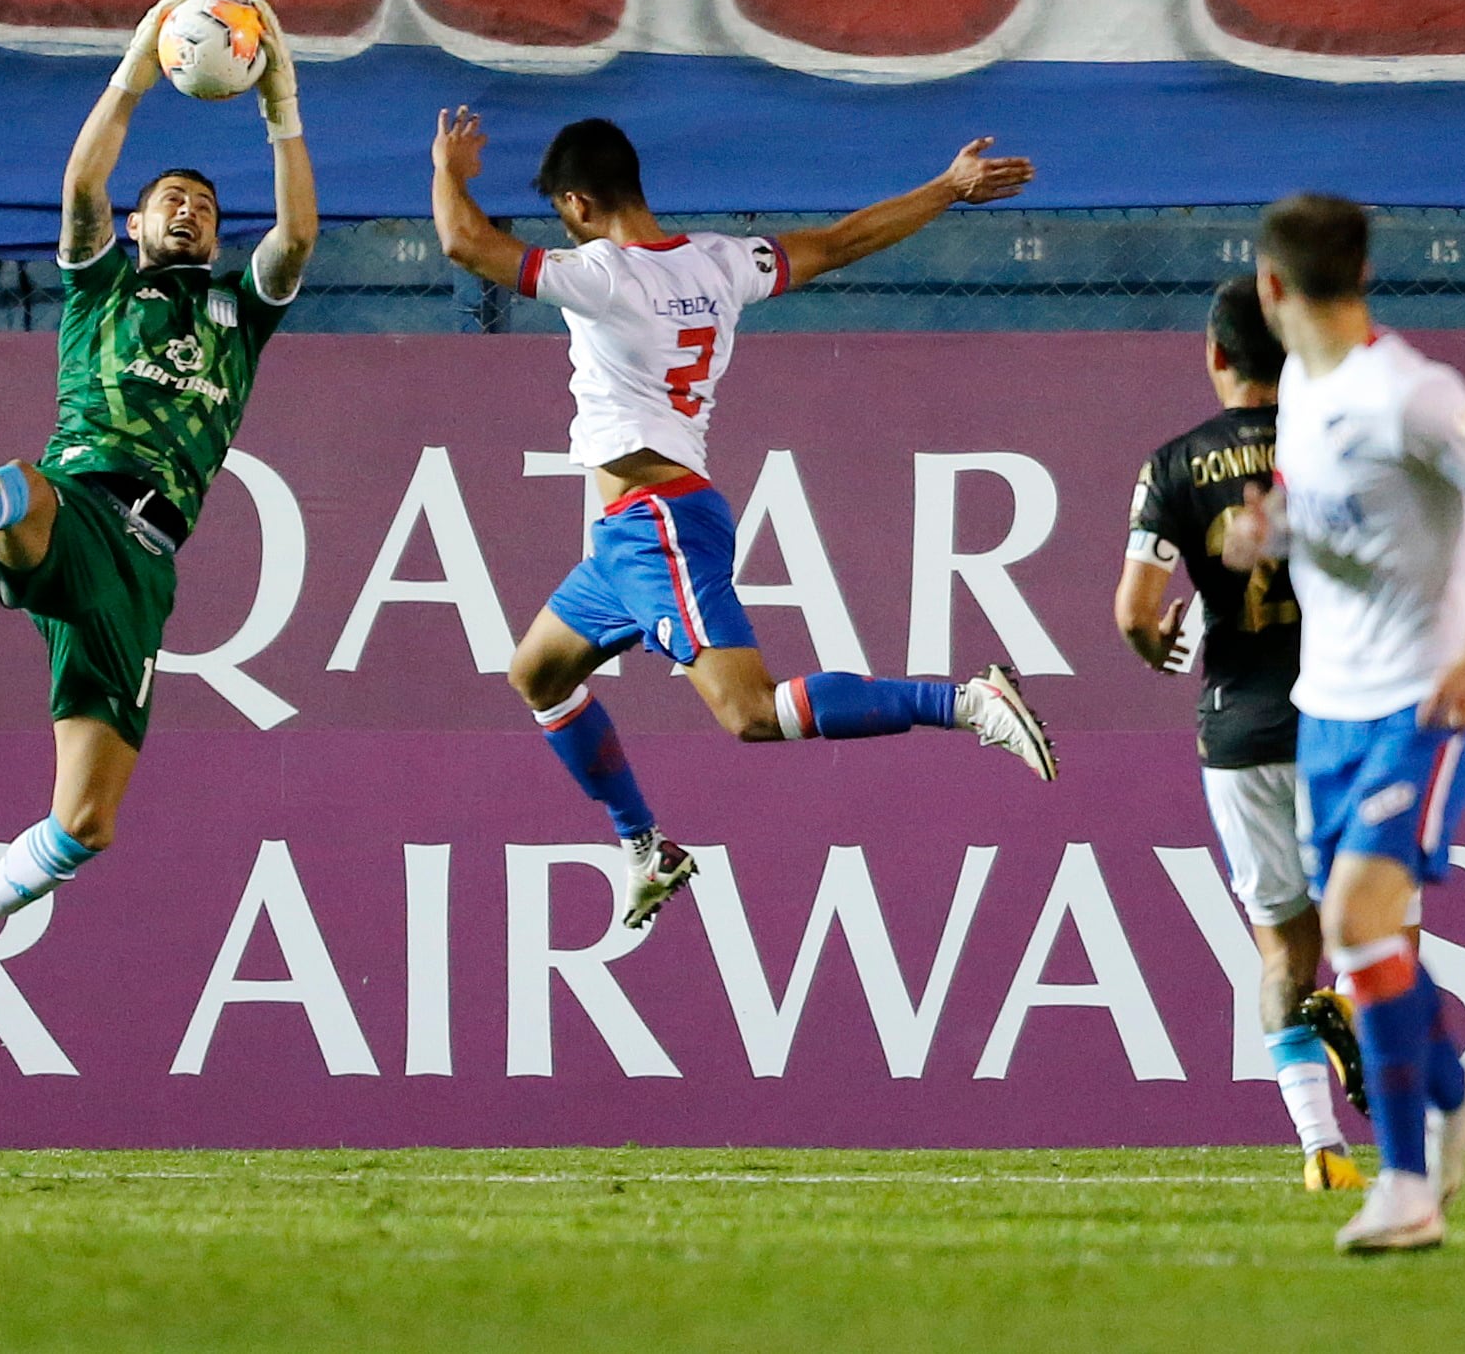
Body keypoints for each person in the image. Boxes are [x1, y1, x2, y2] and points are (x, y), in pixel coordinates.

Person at [430, 110, 1058, 932]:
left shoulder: (601, 272)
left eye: (561, 213)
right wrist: (946, 187)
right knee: (539, 675)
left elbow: (465, 246)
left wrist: (448, 166)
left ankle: (967, 704)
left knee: (749, 713)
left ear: (579, 204)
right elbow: (836, 243)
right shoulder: (721, 261)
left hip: (657, 525)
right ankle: (645, 846)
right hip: (627, 542)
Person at [0, 0, 313, 1051]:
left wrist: (280, 105)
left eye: (205, 208)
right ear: (134, 222)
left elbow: (295, 236)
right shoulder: (98, 285)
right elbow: (82, 180)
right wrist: (136, 57)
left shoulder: (236, 313)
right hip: (82, 492)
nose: (190, 210)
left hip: (145, 568)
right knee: (25, 491)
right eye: (172, 199)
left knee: (87, 822)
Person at [1221, 193, 1465, 1254]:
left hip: (1424, 696)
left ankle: (1409, 1187)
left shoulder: (1409, 392)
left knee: (1360, 923)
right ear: (1363, 270)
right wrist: (1264, 530)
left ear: (1273, 289)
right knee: (1356, 935)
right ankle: (1458, 1093)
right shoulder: (1305, 394)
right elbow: (1311, 507)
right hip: (1326, 701)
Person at [1115, 275, 1367, 1192]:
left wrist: (1158, 645)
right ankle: (1353, 1003)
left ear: (1214, 355)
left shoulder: (1173, 465)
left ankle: (1320, 1152)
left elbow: (1138, 615)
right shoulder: (1335, 449)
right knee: (1378, 917)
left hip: (1238, 730)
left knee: (1278, 950)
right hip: (1343, 715)